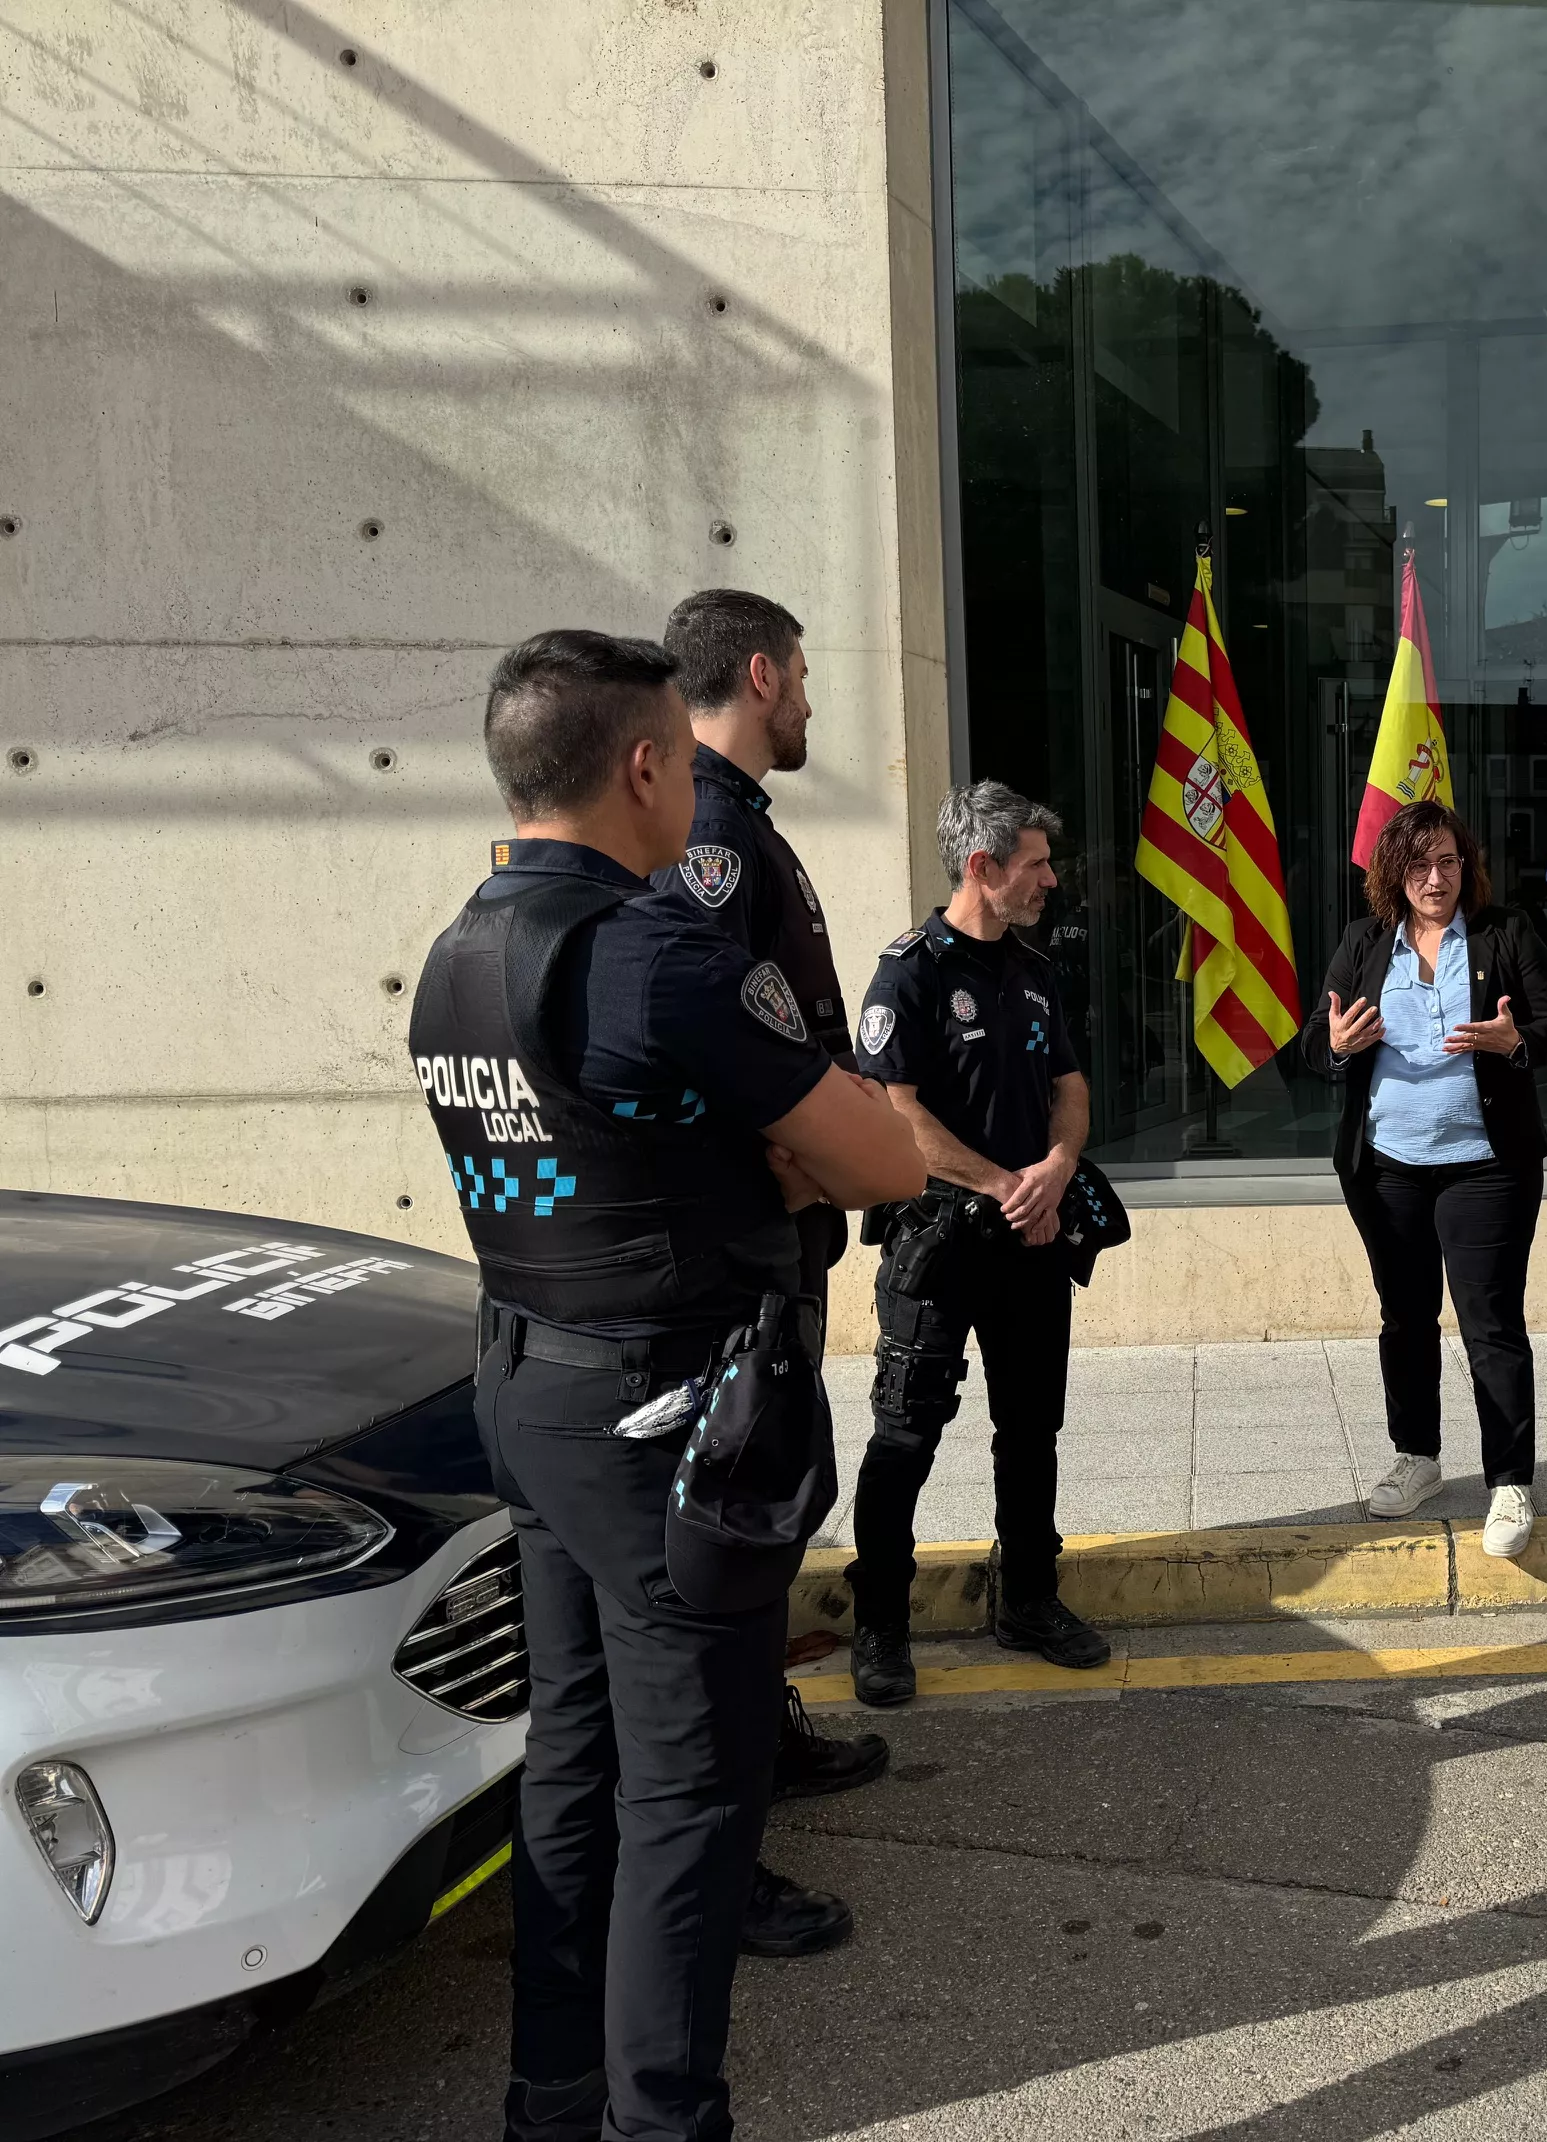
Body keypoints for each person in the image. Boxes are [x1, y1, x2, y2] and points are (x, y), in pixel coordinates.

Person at [410, 630, 924, 2141]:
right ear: (646, 766)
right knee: (693, 1798)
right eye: (677, 769)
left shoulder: (455, 950)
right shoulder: (654, 954)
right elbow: (884, 1156)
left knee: (572, 1762)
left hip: (530, 1388)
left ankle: (552, 2101)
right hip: (658, 1413)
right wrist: (792, 1145)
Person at [653, 587, 892, 1812]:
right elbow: (704, 1028)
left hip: (786, 1225)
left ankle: (764, 1733)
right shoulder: (709, 827)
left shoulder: (737, 819)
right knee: (748, 1518)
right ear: (758, 674)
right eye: (799, 676)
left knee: (776, 1507)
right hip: (753, 1236)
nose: (808, 700)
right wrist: (798, 1150)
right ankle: (733, 1794)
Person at [846, 780, 1108, 1696]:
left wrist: (1057, 1170)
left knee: (1031, 1431)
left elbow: (1070, 1086)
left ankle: (1028, 1597)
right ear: (983, 866)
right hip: (940, 1246)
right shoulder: (909, 972)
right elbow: (896, 1111)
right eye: (1036, 863)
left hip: (1030, 1242)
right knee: (906, 1435)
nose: (1051, 879)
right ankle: (880, 1621)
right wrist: (1002, 1183)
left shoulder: (1034, 970)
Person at [1306, 800, 1547, 1557]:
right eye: (1420, 863)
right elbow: (1313, 1043)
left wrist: (1514, 1037)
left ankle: (1511, 1481)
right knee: (1406, 1314)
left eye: (1449, 862)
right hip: (1387, 1167)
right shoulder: (1364, 943)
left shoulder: (1504, 933)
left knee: (1491, 1322)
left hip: (1486, 1167)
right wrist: (1333, 1044)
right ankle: (1417, 1457)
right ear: (1395, 872)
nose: (1436, 877)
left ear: (1468, 867)